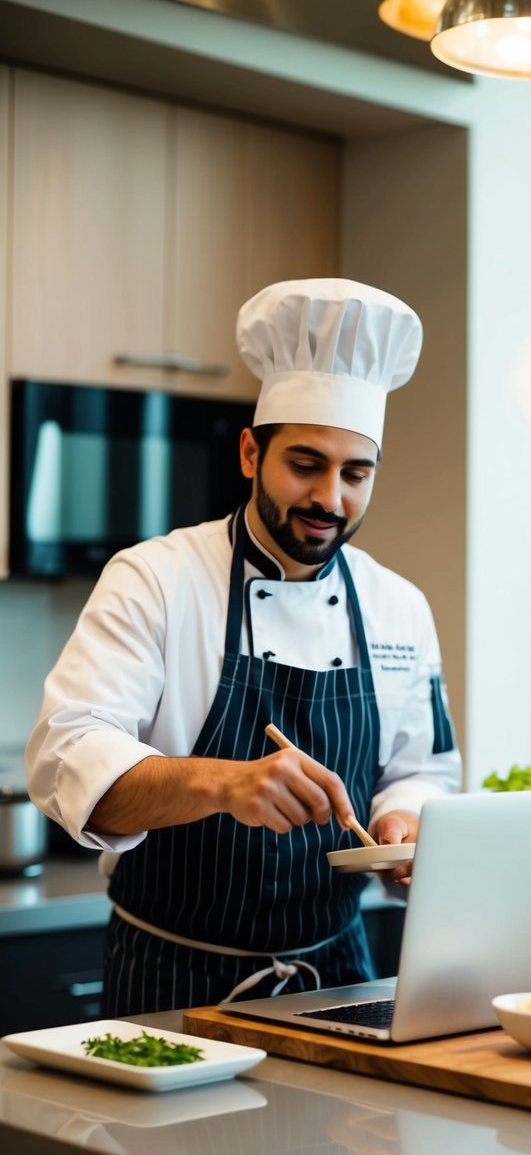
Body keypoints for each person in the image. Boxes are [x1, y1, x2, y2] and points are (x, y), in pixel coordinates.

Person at [25, 277, 461, 1017]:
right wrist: (223, 785)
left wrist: (403, 824)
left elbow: (421, 770)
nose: (331, 498)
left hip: (338, 979)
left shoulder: (398, 607)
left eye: (356, 474)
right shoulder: (155, 580)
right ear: (251, 453)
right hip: (174, 984)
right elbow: (66, 756)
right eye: (306, 464)